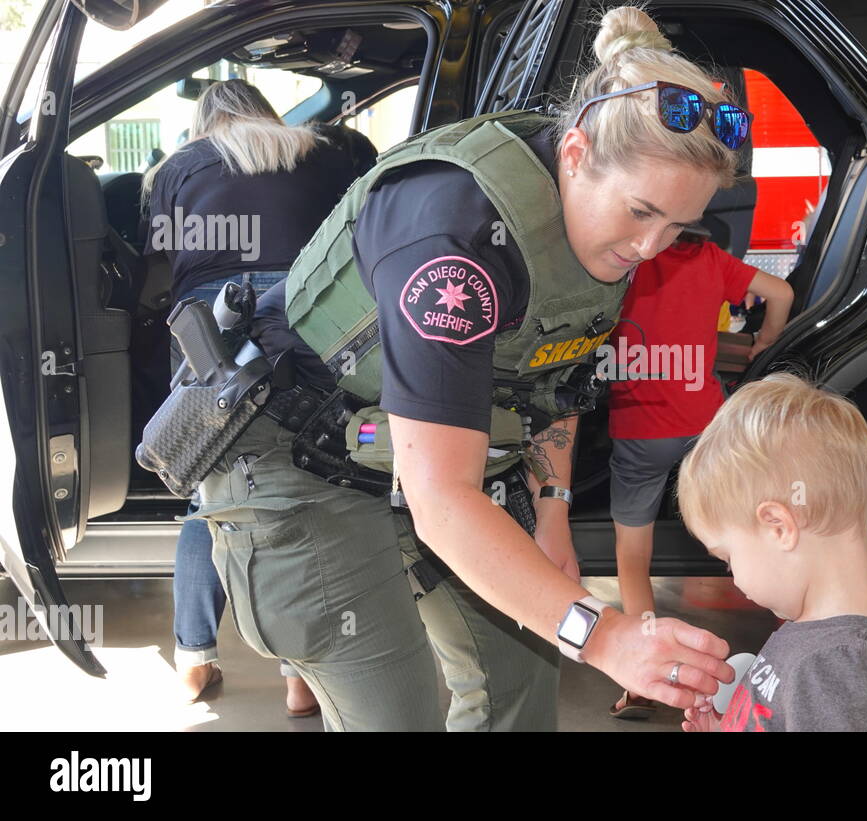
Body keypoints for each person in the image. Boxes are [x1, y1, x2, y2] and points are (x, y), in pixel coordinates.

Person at [171, 5, 745, 731]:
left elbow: (552, 368)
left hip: (422, 446)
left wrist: (553, 515)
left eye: (676, 227)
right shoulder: (455, 238)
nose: (651, 246)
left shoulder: (610, 227)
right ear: (573, 153)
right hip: (301, 459)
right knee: (398, 711)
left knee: (521, 681)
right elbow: (442, 501)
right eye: (641, 213)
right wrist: (604, 633)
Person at [142, 78, 369, 714]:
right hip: (301, 312)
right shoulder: (322, 152)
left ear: (203, 122)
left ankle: (194, 659)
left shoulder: (178, 166)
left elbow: (160, 255)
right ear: (266, 113)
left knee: (208, 492)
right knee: (308, 485)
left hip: (210, 321)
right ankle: (301, 678)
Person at [605, 230, 793, 719]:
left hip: (639, 433)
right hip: (706, 429)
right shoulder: (711, 259)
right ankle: (790, 639)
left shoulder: (626, 258)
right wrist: (766, 339)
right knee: (743, 538)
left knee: (632, 556)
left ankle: (645, 675)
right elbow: (782, 293)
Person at [676, 373, 867, 731]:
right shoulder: (815, 640)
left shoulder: (830, 667)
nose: (732, 577)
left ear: (779, 527)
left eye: (728, 557)